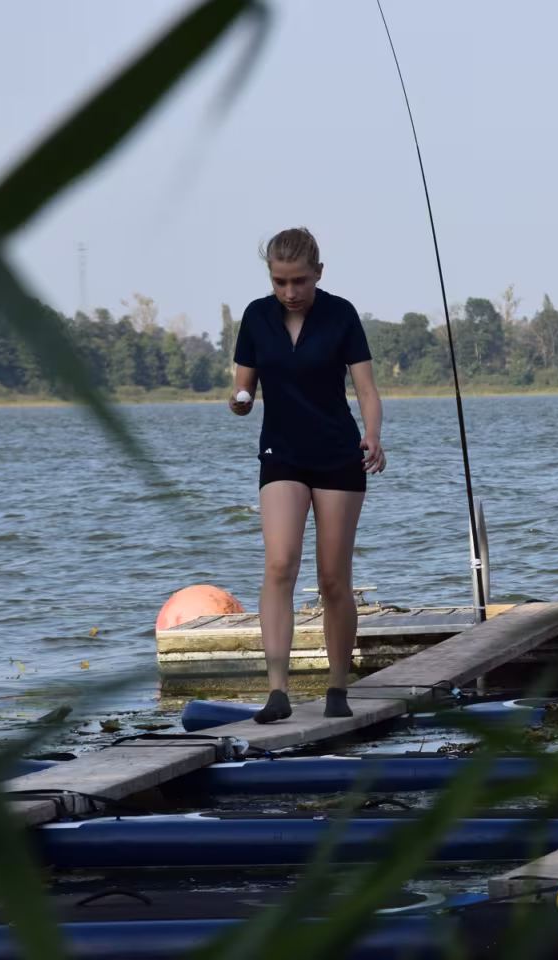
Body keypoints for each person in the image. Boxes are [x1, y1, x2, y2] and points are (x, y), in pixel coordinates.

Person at [230, 227, 386, 723]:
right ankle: (278, 692)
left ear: (319, 272)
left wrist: (373, 434)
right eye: (280, 282)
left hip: (339, 454)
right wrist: (240, 401)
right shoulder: (256, 317)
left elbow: (366, 390)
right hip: (282, 454)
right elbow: (242, 387)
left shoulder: (341, 314)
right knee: (279, 565)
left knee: (334, 579)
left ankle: (338, 688)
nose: (290, 291)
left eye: (299, 280)